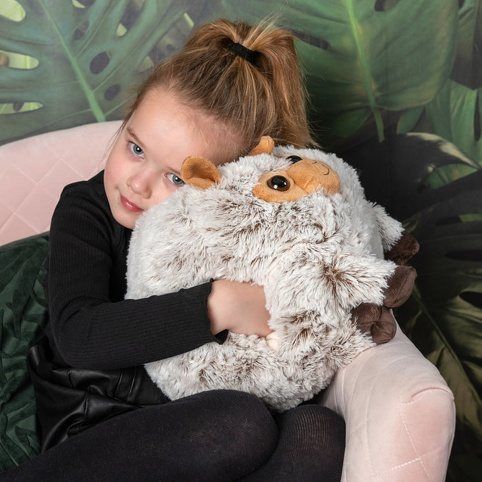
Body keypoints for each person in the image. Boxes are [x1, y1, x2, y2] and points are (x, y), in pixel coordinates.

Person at [1, 17, 345, 482]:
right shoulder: (87, 208)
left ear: (231, 181)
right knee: (237, 423)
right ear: (126, 125)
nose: (137, 184)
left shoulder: (245, 227)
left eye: (177, 178)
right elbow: (77, 336)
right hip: (95, 424)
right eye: (135, 149)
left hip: (198, 415)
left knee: (319, 431)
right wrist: (218, 305)